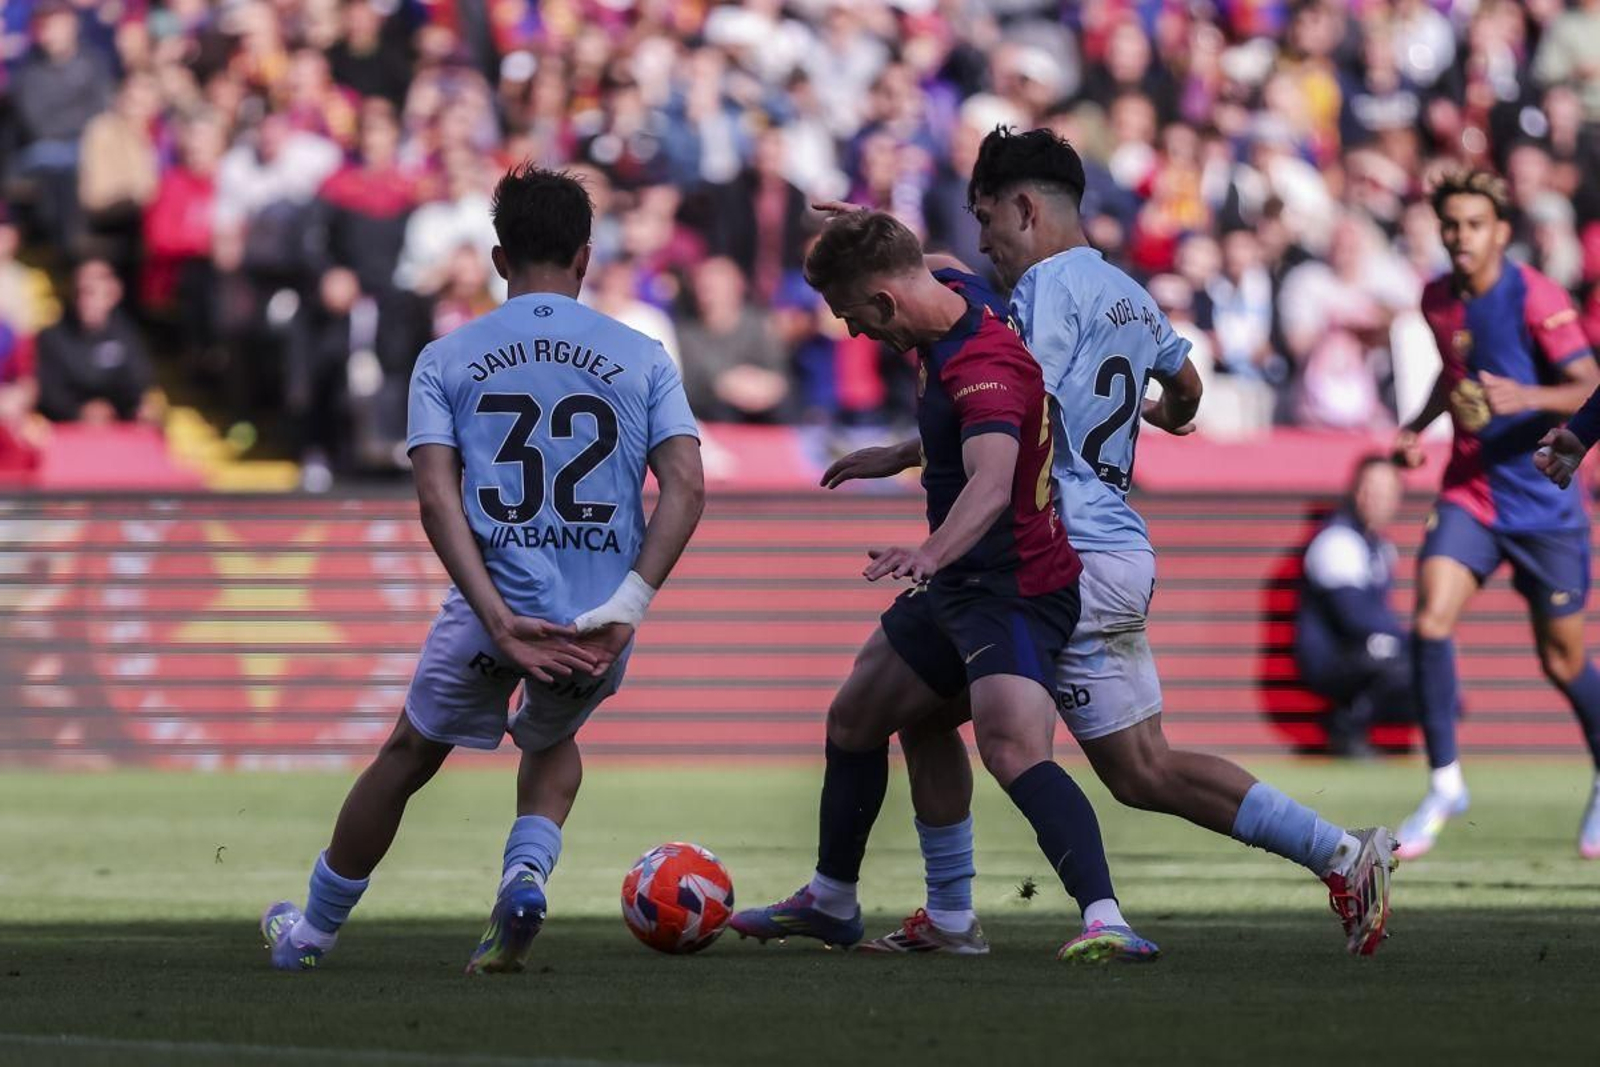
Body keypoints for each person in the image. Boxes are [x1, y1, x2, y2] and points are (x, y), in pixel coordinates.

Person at [819, 128, 1396, 957]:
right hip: (1117, 542)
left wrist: (911, 454)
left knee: (1038, 747)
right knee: (1118, 763)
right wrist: (1167, 415)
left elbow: (1013, 407)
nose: (983, 242)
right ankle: (1339, 853)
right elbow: (1186, 383)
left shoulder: (1040, 296)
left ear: (1025, 208)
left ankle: (1037, 912)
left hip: (1060, 546)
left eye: (986, 221)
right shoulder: (1131, 294)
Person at [259, 165, 705, 972]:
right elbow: (687, 486)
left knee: (408, 754)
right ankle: (524, 877)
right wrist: (630, 605)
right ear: (585, 257)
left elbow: (436, 498)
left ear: (500, 259)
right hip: (599, 617)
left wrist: (498, 619)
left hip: (492, 606)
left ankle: (312, 935)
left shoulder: (447, 356)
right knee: (553, 737)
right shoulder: (643, 355)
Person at [729, 209, 1161, 964]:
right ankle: (850, 903)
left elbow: (991, 482)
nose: (853, 331)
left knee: (1013, 748)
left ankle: (1107, 919)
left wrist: (929, 551)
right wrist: (901, 452)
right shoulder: (952, 290)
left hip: (1016, 586)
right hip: (964, 581)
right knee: (859, 718)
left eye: (853, 315)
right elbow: (916, 258)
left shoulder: (981, 366)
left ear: (885, 301)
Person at [1394, 168, 1600, 861]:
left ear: (1501, 231)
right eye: (1451, 224)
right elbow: (1452, 377)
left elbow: (1589, 382)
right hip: (1472, 491)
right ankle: (1445, 782)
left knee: (1562, 659)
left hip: (1544, 502)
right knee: (1430, 617)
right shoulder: (1435, 298)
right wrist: (1417, 425)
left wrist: (1530, 398)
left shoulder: (1536, 296)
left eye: (1474, 224)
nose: (1460, 236)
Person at [1295, 456, 1413, 758]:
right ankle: (1345, 729)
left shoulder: (1381, 547)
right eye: (1371, 488)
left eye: (1387, 491)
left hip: (1362, 652)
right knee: (1405, 661)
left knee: (1430, 668)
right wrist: (1412, 641)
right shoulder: (1336, 540)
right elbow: (1355, 616)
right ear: (1356, 491)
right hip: (1330, 659)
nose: (1377, 499)